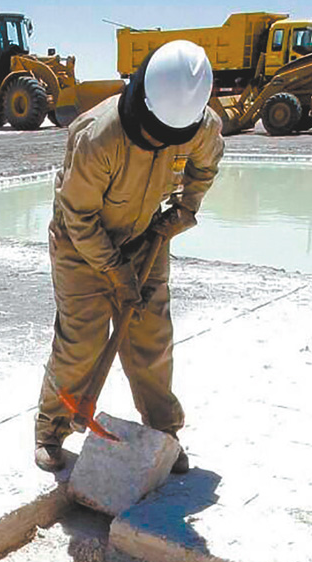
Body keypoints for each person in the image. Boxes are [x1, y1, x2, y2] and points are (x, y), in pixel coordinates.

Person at [33, 40, 224, 473]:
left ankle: (163, 431)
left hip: (145, 236)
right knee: (81, 342)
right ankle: (52, 428)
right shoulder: (98, 136)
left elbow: (206, 164)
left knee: (152, 337)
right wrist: (117, 273)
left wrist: (186, 208)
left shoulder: (199, 123)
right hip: (80, 245)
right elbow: (78, 216)